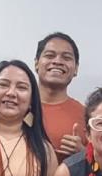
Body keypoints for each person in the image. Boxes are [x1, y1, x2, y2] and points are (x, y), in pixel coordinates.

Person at [34, 32, 86, 160]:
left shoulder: (86, 115)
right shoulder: (17, 106)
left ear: (76, 69)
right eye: (50, 55)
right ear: (36, 63)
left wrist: (83, 154)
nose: (57, 61)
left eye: (66, 58)